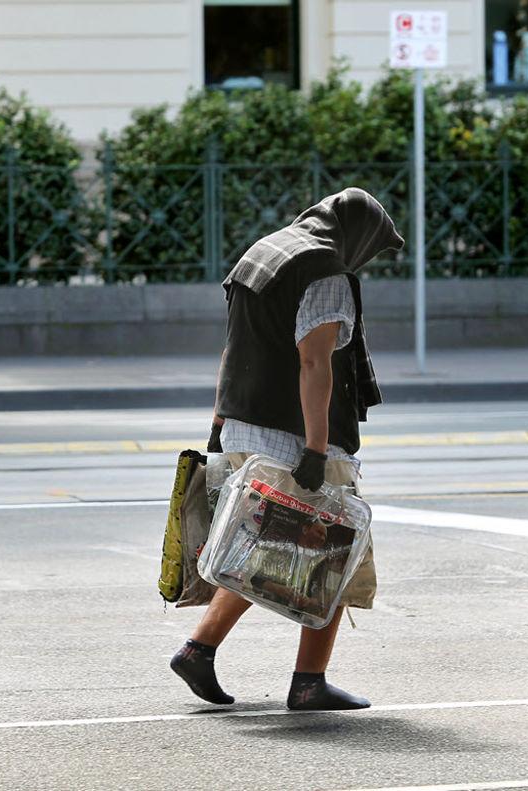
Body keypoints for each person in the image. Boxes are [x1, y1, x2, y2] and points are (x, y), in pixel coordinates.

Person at [170, 187, 404, 711]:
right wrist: (317, 452)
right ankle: (308, 682)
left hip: (243, 430)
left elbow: (234, 346)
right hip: (292, 440)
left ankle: (198, 650)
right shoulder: (324, 271)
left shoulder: (264, 252)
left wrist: (218, 424)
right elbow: (314, 363)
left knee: (260, 551)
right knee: (335, 555)